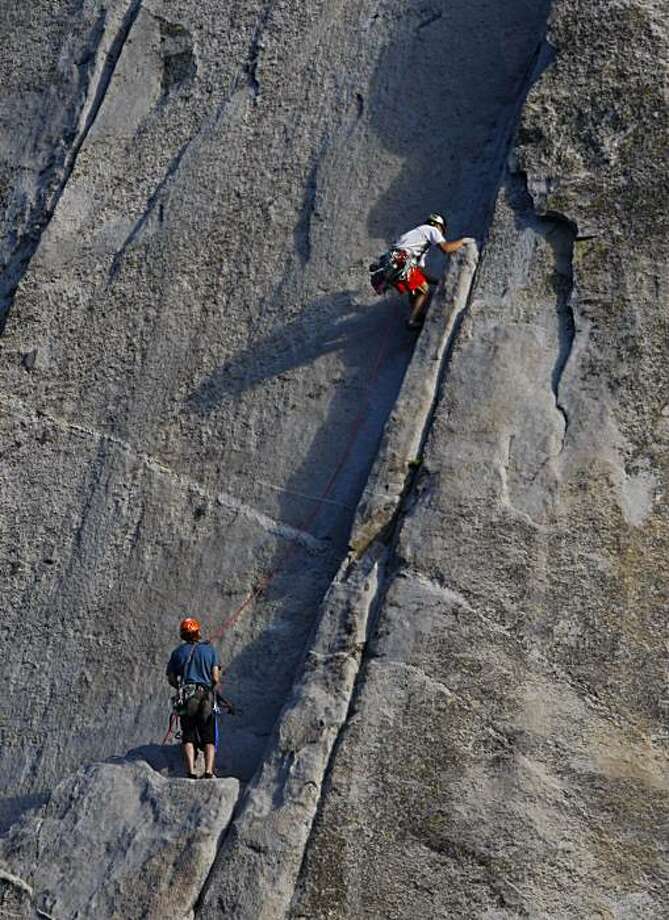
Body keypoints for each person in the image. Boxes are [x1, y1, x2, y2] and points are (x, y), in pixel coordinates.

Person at [390, 213, 475, 329]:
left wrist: (437, 281)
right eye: (441, 231)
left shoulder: (417, 239)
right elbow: (446, 248)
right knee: (424, 290)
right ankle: (411, 321)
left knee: (415, 288)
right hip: (402, 260)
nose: (440, 234)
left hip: (394, 262)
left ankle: (417, 314)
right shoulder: (431, 229)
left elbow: (419, 273)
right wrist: (463, 241)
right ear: (438, 226)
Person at [166, 617, 221, 779]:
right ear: (198, 632)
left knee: (188, 734)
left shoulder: (178, 653)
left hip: (187, 697)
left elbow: (170, 677)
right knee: (209, 736)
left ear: (183, 635)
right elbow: (216, 677)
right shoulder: (209, 650)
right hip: (206, 696)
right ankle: (209, 771)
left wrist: (179, 687)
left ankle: (191, 770)